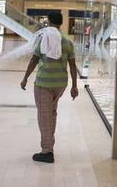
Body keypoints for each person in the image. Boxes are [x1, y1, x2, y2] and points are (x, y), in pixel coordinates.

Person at [20, 11, 78, 164]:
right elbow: (72, 65)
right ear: (61, 22)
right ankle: (49, 145)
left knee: (44, 117)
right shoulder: (67, 41)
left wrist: (25, 78)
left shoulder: (44, 38)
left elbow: (34, 59)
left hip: (44, 83)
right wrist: (74, 86)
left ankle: (47, 152)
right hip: (60, 84)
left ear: (49, 21)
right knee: (51, 114)